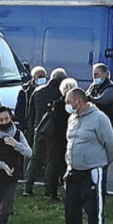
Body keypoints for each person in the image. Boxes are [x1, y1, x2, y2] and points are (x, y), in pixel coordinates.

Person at [56, 82, 113, 224]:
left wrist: (103, 164)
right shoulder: (73, 118)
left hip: (92, 172)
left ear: (78, 102)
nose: (66, 105)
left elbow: (111, 145)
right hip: (73, 171)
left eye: (68, 102)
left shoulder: (99, 118)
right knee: (71, 210)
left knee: (94, 212)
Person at [29, 66, 72, 196]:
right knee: (51, 161)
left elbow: (30, 113)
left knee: (35, 159)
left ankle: (27, 186)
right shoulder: (61, 94)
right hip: (54, 132)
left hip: (39, 128)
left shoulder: (37, 91)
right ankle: (48, 190)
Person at [13, 66, 53, 194]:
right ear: (33, 77)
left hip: (41, 126)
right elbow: (21, 110)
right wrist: (24, 125)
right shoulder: (25, 91)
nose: (42, 79)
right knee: (29, 154)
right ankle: (26, 178)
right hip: (30, 126)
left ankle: (36, 177)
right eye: (39, 76)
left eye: (44, 76)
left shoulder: (45, 90)